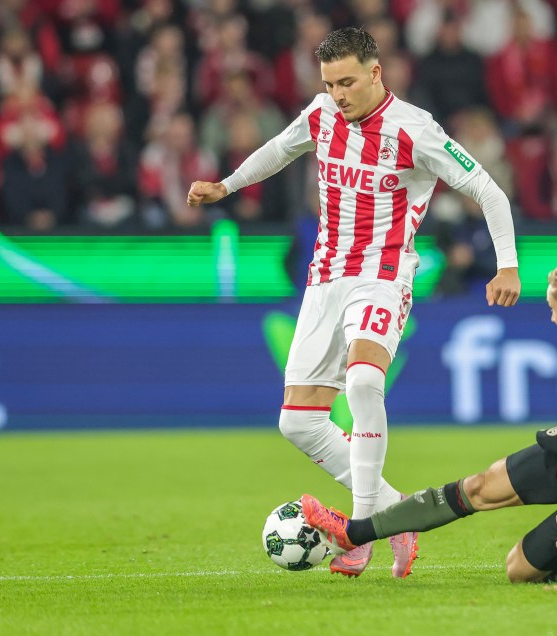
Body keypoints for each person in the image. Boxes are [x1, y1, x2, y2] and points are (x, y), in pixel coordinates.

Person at [187, 28, 521, 578]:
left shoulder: (415, 130)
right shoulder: (322, 114)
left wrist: (506, 265)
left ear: (375, 73)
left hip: (382, 276)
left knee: (364, 381)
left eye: (346, 82)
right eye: (329, 83)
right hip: (325, 279)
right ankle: (397, 513)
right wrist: (226, 186)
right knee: (297, 422)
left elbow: (488, 190)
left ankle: (362, 531)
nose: (337, 94)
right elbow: (280, 149)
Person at [301, 148, 557, 590]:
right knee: (480, 486)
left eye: (554, 310)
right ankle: (354, 532)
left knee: (520, 569)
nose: (551, 319)